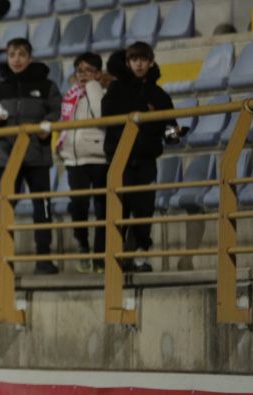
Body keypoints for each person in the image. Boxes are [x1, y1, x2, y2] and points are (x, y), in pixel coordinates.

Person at [0, 37, 61, 275]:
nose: (16, 59)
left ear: (29, 57)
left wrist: (47, 124)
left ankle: (44, 259)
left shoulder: (47, 85)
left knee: (43, 208)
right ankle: (3, 260)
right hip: (6, 157)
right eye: (12, 55)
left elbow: (56, 111)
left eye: (21, 54)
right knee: (4, 208)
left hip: (37, 155)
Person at [102, 41, 175, 274]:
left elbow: (170, 128)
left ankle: (136, 254)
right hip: (119, 161)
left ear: (151, 62)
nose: (139, 64)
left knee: (144, 210)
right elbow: (107, 117)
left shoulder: (159, 95)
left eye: (143, 59)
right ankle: (117, 256)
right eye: (134, 59)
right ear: (127, 63)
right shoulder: (116, 90)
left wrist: (175, 134)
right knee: (120, 209)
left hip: (145, 161)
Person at [57, 52, 108, 269]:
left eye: (89, 70)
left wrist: (93, 87)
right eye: (80, 71)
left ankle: (100, 256)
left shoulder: (103, 92)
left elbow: (101, 116)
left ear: (98, 73)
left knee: (103, 209)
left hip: (98, 158)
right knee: (78, 205)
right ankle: (83, 245)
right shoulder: (70, 96)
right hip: (74, 160)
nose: (84, 75)